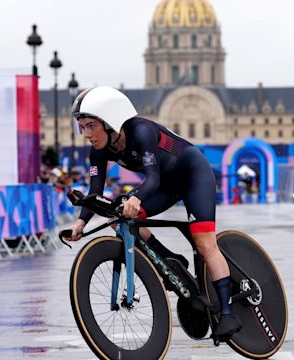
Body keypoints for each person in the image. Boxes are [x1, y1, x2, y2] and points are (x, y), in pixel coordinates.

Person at [64, 86, 241, 341]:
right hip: (164, 185)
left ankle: (227, 313)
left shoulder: (141, 131)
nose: (86, 134)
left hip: (192, 176)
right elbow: (95, 191)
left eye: (91, 126)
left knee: (204, 243)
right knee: (117, 215)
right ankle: (171, 260)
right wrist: (80, 223)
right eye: (82, 128)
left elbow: (153, 178)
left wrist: (135, 198)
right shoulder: (99, 151)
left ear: (109, 121)